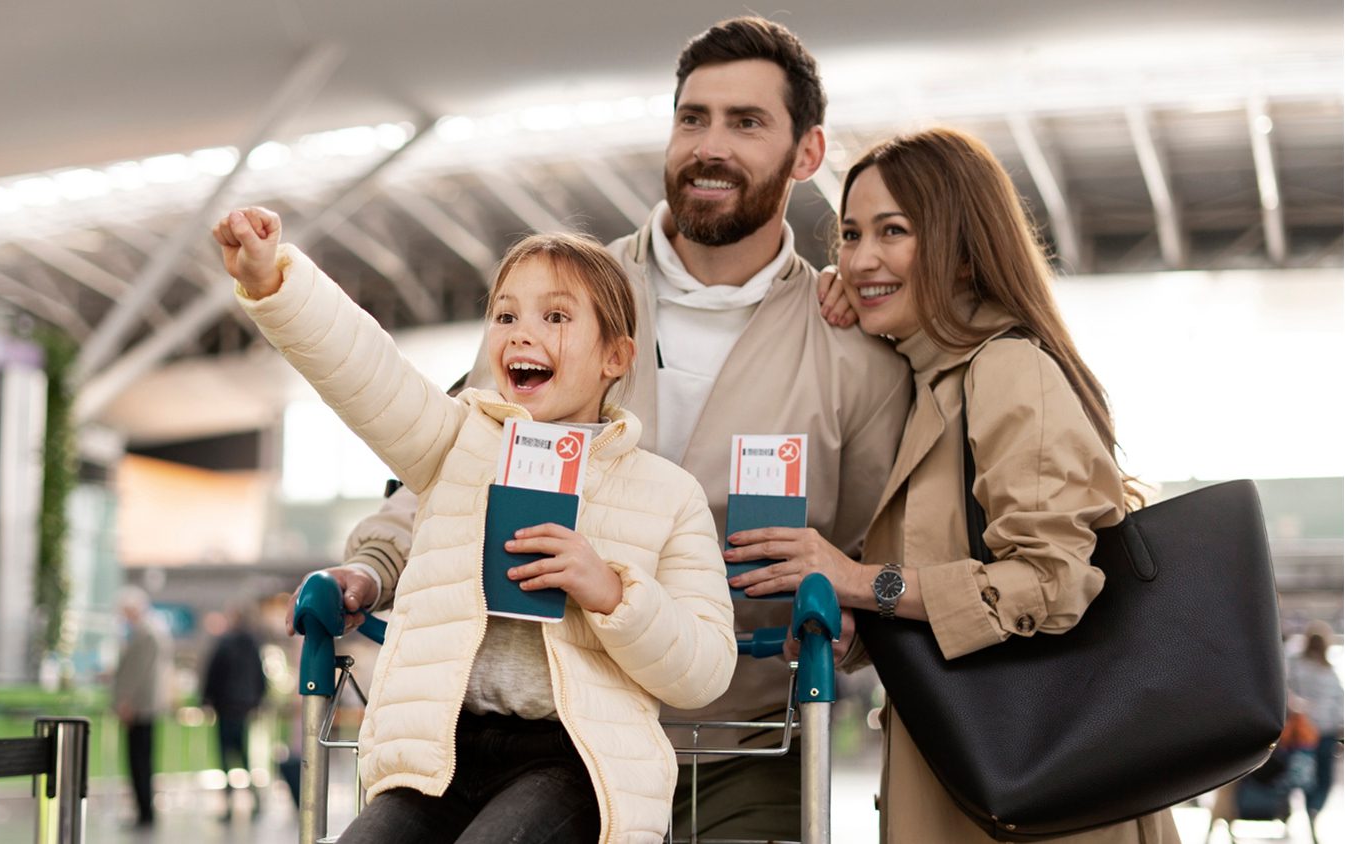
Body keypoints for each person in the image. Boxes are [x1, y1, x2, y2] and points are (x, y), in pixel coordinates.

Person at [287, 17, 912, 839]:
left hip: (743, 745)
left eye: (746, 122)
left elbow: (876, 553)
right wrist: (374, 566)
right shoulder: (560, 299)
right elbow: (461, 458)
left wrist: (850, 618)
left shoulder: (851, 354)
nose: (710, 146)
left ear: (807, 152)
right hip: (551, 730)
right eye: (693, 118)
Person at [215, 208, 738, 843]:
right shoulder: (457, 443)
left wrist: (610, 591)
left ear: (616, 356)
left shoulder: (667, 494)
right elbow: (366, 371)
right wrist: (275, 281)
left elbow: (706, 669)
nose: (522, 334)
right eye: (505, 315)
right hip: (441, 754)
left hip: (576, 764)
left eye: (555, 317)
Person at [727, 127, 1182, 842]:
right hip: (976, 780)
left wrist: (860, 581)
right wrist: (856, 630)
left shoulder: (1005, 370)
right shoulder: (926, 383)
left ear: (964, 252)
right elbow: (939, 582)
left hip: (1042, 798)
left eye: (894, 231)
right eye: (850, 235)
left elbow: (1050, 584)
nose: (860, 258)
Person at [111, 585, 172, 830]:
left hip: (141, 708)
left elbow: (139, 673)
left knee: (140, 762)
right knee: (140, 761)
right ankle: (143, 810)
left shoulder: (146, 633)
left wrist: (127, 701)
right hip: (142, 707)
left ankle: (145, 812)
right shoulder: (150, 631)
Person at [201, 601, 269, 821]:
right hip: (244, 707)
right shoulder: (252, 644)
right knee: (244, 755)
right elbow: (260, 676)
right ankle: (255, 800)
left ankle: (229, 804)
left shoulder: (224, 643)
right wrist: (257, 700)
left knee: (225, 756)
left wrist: (207, 699)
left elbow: (213, 674)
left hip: (226, 706)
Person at [1288, 620, 1343, 843]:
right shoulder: (1329, 671)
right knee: (1324, 777)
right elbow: (1339, 701)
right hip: (1325, 730)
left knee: (1305, 774)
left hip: (1305, 731)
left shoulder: (1296, 666)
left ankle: (1309, 807)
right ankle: (1314, 809)